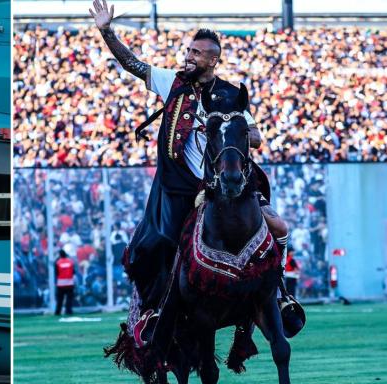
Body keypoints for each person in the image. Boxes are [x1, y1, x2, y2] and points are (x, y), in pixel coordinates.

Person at [89, 0, 290, 343]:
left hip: (225, 186)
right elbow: (131, 63)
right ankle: (154, 312)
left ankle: (281, 295)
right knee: (157, 244)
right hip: (179, 186)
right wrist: (106, 30)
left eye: (197, 53)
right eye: (189, 50)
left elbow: (256, 138)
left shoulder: (230, 94)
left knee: (278, 227)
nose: (190, 56)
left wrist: (231, 125)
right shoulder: (173, 82)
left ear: (214, 59)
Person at [54, 249, 76, 315]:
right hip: (69, 283)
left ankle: (58, 312)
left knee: (60, 299)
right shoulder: (70, 262)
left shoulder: (58, 262)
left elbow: (56, 273)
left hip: (61, 283)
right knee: (69, 298)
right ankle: (68, 311)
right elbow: (73, 272)